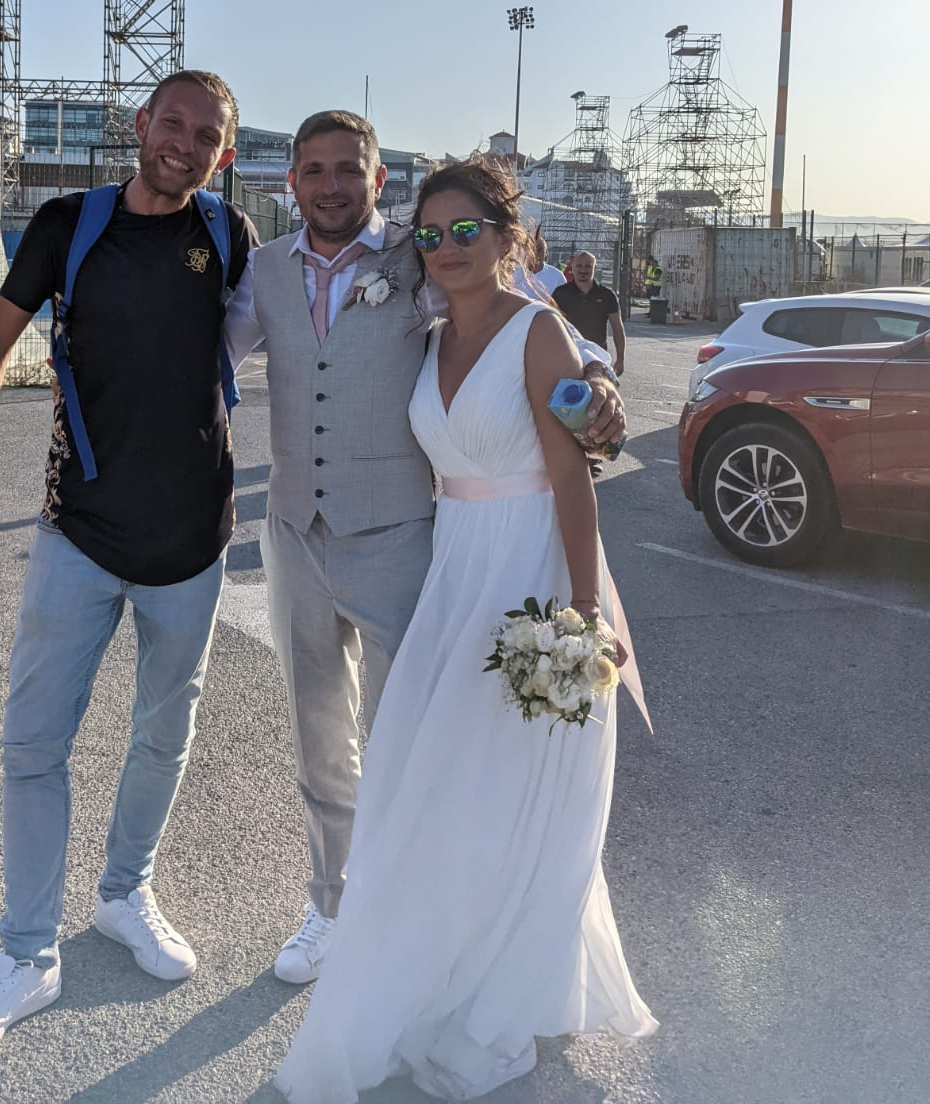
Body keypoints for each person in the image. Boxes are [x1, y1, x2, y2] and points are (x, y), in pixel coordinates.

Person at [274, 157, 657, 1104]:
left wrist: (581, 613)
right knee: (432, 779)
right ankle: (426, 955)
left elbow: (575, 476)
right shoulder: (429, 331)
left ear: (508, 239)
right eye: (431, 235)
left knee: (514, 788)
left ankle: (499, 983)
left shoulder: (540, 333)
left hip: (530, 571)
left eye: (466, 232)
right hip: (454, 573)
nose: (446, 250)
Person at [223, 111, 626, 987]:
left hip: (406, 539)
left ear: (376, 181)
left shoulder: (421, 259)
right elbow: (206, 359)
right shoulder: (259, 272)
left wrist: (596, 376)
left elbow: (527, 318)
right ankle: (331, 904)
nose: (331, 185)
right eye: (314, 170)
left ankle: (404, 905)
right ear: (291, 181)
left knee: (412, 739)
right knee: (320, 739)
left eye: (348, 170)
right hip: (293, 534)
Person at [0, 70, 258, 1063]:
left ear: (221, 154)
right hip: (77, 535)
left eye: (206, 136)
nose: (185, 145)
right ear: (142, 126)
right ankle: (25, 955)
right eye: (173, 124)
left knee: (163, 735)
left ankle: (123, 895)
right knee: (33, 747)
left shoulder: (229, 239)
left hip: (193, 548)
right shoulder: (71, 224)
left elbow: (344, 294)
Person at [552, 250, 626, 377]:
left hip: (597, 359)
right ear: (572, 268)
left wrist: (620, 359)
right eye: (579, 266)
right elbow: (550, 326)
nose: (583, 270)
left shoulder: (607, 295)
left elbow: (617, 327)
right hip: (568, 356)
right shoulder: (559, 294)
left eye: (588, 266)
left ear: (595, 268)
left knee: (599, 394)